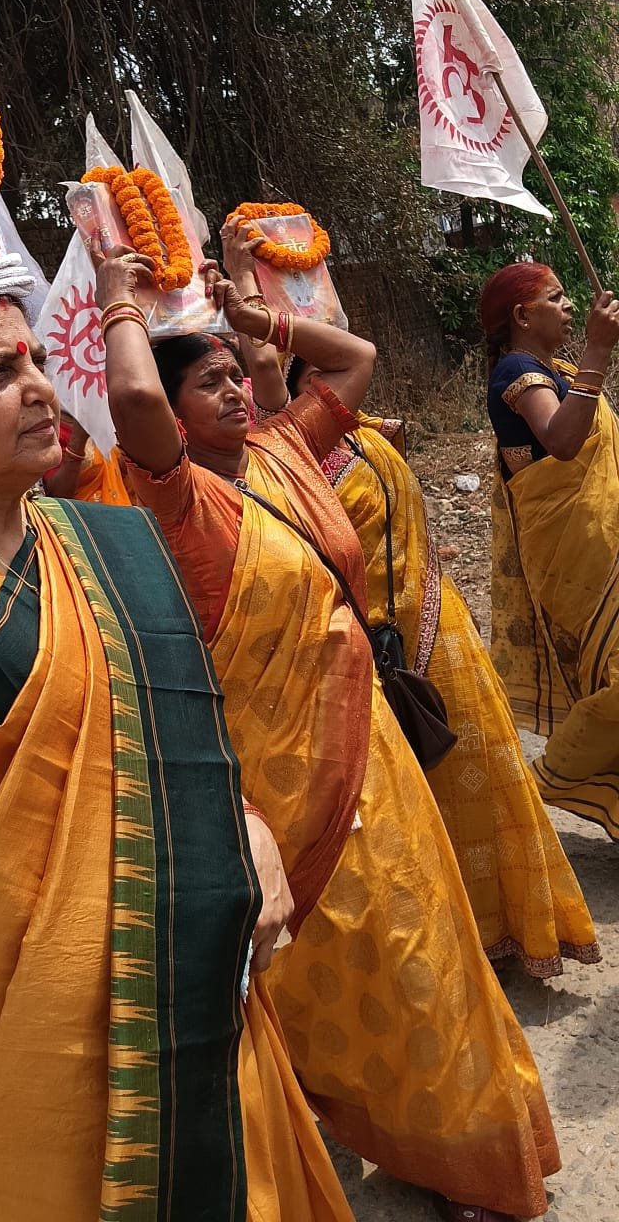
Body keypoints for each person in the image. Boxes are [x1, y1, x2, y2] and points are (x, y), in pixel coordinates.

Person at [0, 169, 354, 1222]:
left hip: (188, 965)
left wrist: (247, 826)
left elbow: (169, 729)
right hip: (17, 1013)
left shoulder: (94, 542)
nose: (40, 389)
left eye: (33, 361)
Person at [92, 239, 562, 1222]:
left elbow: (355, 359)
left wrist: (260, 322)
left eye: (237, 376)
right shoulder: (178, 499)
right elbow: (131, 397)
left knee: (425, 945)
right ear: (171, 418)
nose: (234, 389)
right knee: (346, 964)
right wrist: (117, 299)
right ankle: (373, 1117)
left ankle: (469, 1148)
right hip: (282, 780)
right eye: (209, 383)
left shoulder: (283, 448)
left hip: (371, 749)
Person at [481, 259, 619, 841]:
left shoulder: (555, 369)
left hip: (599, 542)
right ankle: (544, 781)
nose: (569, 307)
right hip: (574, 552)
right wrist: (597, 351)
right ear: (522, 315)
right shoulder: (517, 370)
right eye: (557, 298)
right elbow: (562, 442)